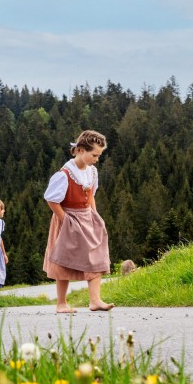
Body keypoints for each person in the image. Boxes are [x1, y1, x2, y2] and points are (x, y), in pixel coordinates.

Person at [43, 129, 115, 314]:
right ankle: (61, 303)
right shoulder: (65, 174)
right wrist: (65, 220)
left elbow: (90, 195)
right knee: (63, 259)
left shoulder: (92, 172)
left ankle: (95, 300)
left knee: (97, 253)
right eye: (94, 155)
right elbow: (52, 200)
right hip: (67, 217)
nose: (96, 159)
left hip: (87, 216)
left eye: (99, 155)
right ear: (81, 150)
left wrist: (95, 215)